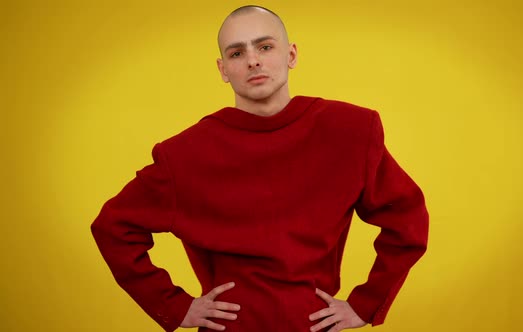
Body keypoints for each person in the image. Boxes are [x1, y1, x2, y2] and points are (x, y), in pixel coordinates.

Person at [91, 5, 428, 332]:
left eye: (265, 46)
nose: (253, 60)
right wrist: (175, 306)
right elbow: (114, 227)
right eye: (237, 53)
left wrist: (365, 304)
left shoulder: (351, 130)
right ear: (223, 70)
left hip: (310, 325)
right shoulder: (182, 154)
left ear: (291, 55)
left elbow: (406, 218)